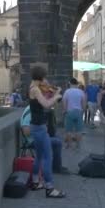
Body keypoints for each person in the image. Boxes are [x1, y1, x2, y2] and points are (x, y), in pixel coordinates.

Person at [28, 65, 66, 198]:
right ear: (41, 77)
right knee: (47, 157)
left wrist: (53, 93)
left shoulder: (34, 87)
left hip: (36, 126)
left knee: (38, 156)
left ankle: (35, 182)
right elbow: (46, 105)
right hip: (39, 128)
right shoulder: (36, 90)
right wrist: (56, 97)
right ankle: (49, 188)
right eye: (44, 77)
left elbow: (44, 104)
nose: (46, 80)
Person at [20, 106, 70, 174]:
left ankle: (56, 165)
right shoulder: (30, 112)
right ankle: (56, 168)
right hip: (32, 141)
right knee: (57, 143)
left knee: (56, 137)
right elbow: (26, 131)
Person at [62, 78, 87, 149]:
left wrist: (64, 110)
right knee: (78, 130)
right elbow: (84, 102)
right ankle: (78, 145)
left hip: (69, 111)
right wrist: (83, 110)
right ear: (77, 84)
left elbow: (64, 102)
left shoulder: (67, 91)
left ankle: (69, 145)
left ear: (70, 83)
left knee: (69, 130)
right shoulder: (81, 92)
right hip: (78, 112)